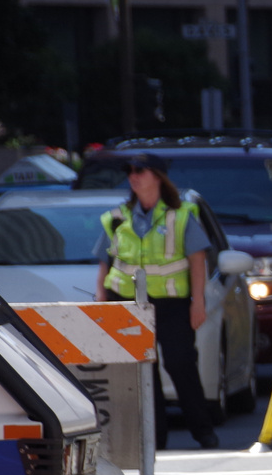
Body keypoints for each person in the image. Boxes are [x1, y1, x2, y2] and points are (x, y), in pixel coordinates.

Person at [94, 152, 219, 450]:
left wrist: (197, 302)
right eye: (130, 170)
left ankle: (203, 432)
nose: (133, 175)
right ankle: (155, 438)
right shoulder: (117, 217)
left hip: (171, 303)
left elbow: (197, 261)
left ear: (158, 177)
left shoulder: (182, 213)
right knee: (142, 370)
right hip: (126, 302)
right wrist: (100, 297)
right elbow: (104, 262)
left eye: (141, 170)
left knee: (180, 364)